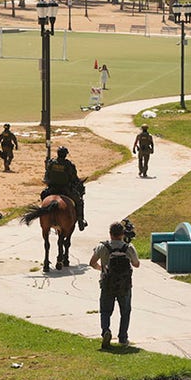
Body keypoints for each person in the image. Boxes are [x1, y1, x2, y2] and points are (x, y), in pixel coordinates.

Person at [89, 221, 140, 349]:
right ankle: (123, 338)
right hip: (124, 285)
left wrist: (101, 268)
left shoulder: (102, 247)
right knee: (125, 311)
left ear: (110, 234)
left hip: (107, 283)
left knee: (105, 311)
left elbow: (92, 262)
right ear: (122, 234)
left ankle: (106, 330)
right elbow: (136, 264)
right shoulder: (128, 247)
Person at [43, 146, 87, 231]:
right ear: (65, 155)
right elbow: (74, 178)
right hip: (65, 189)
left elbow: (47, 175)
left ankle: (44, 214)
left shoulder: (51, 162)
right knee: (79, 201)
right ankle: (80, 220)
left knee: (43, 196)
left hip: (52, 189)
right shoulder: (69, 164)